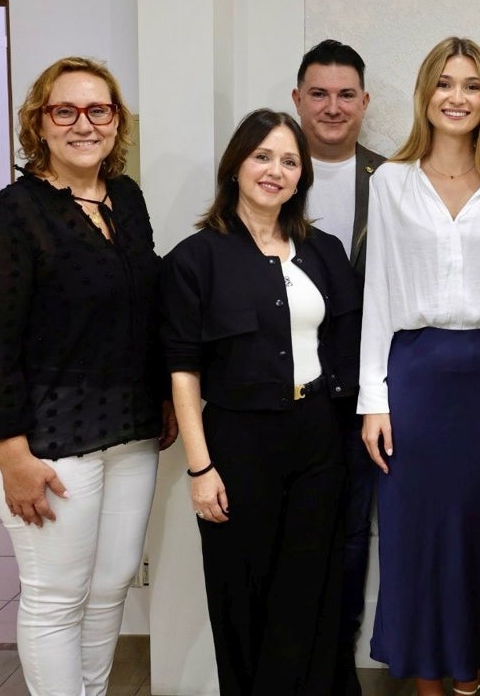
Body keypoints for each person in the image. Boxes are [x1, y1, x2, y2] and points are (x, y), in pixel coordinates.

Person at [0, 56, 175, 696]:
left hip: (130, 431)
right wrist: (9, 451)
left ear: (116, 122)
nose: (84, 123)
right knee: (56, 596)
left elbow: (143, 307)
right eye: (66, 110)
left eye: (99, 110)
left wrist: (161, 393)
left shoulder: (126, 199)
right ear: (41, 123)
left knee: (110, 587)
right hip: (44, 440)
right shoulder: (11, 214)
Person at [359, 36, 480, 696]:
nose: (458, 96)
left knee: (479, 530)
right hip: (414, 377)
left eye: (470, 85)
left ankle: (468, 672)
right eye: (446, 83)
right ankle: (427, 683)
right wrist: (374, 400)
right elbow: (377, 295)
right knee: (416, 536)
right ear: (426, 94)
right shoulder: (389, 180)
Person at [161, 109, 361, 695]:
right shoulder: (196, 259)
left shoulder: (322, 251)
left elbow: (347, 342)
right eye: (263, 157)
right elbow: (183, 370)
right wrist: (200, 468)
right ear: (237, 166)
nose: (276, 170)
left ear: (302, 177)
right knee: (243, 592)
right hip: (237, 445)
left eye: (290, 161)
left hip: (317, 438)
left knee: (313, 590)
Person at [292, 39, 386, 694]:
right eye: (318, 93)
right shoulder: (267, 172)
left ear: (364, 102)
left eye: (345, 93)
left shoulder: (393, 178)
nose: (332, 106)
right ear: (296, 99)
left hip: (363, 395)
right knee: (292, 538)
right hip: (284, 397)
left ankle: (339, 667)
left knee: (353, 536)